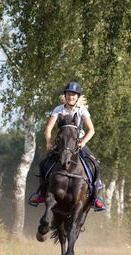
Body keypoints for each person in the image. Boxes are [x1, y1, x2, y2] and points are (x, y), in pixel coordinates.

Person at [28, 82, 106, 211]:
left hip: (78, 143)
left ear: (77, 97)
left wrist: (83, 142)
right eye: (69, 94)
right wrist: (48, 142)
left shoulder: (82, 111)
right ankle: (40, 193)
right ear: (65, 95)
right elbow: (48, 128)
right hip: (62, 143)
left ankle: (95, 198)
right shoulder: (58, 109)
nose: (71, 97)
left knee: (95, 164)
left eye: (74, 95)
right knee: (44, 163)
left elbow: (91, 130)